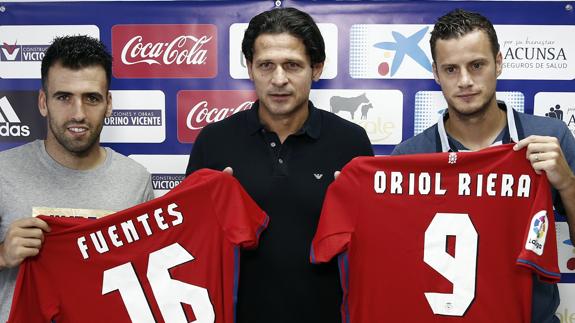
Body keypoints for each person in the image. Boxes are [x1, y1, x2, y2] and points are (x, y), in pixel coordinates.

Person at [185, 7, 373, 323]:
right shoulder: (213, 141)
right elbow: (188, 244)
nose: (279, 79)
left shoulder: (351, 142)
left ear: (316, 68)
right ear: (249, 68)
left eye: (292, 65)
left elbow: (371, 249)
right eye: (266, 65)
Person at [392, 9, 575, 323]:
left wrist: (568, 185)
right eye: (451, 69)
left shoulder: (550, 137)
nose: (465, 81)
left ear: (499, 63)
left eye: (477, 65)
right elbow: (394, 263)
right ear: (435, 73)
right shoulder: (410, 157)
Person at [0, 35, 154, 321]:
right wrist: (3, 255)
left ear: (108, 104)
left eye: (91, 98)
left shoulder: (135, 179)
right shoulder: (2, 172)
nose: (78, 113)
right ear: (44, 102)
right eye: (64, 97)